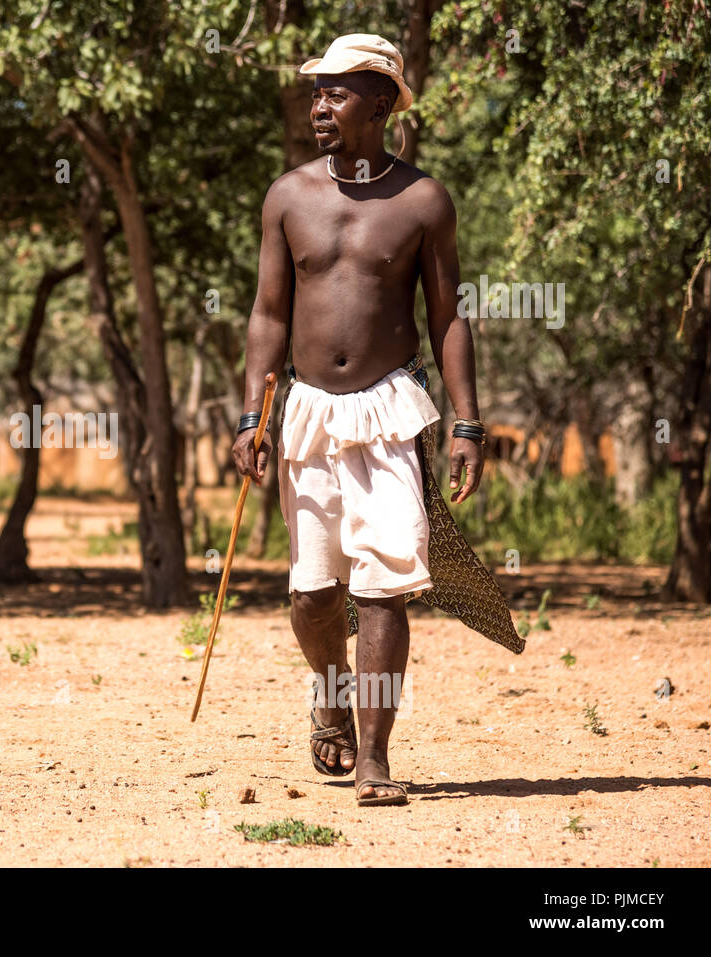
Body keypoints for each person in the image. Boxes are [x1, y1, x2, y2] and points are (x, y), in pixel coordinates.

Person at [233, 34, 500, 807]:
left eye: (337, 92)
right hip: (308, 415)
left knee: (384, 588)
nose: (319, 106)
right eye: (316, 92)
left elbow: (449, 317)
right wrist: (253, 410)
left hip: (389, 412)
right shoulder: (287, 196)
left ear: (380, 104)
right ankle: (330, 686)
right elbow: (266, 313)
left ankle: (375, 758)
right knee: (313, 595)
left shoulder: (423, 201)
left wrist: (467, 423)